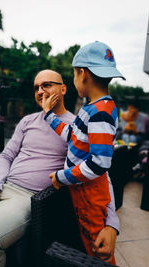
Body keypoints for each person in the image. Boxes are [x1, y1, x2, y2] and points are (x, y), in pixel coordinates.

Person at [0, 69, 118, 267]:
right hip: (2, 185)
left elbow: (100, 173)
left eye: (47, 85)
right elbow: (6, 155)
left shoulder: (77, 125)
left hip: (29, 198)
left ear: (63, 89)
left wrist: (111, 225)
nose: (40, 91)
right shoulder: (27, 121)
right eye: (36, 87)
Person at [42, 42, 124, 265]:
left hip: (89, 193)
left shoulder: (100, 113)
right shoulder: (92, 109)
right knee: (89, 242)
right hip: (83, 190)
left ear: (82, 73)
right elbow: (71, 135)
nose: (74, 79)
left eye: (74, 73)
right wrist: (49, 114)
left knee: (96, 249)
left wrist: (62, 176)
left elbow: (99, 164)